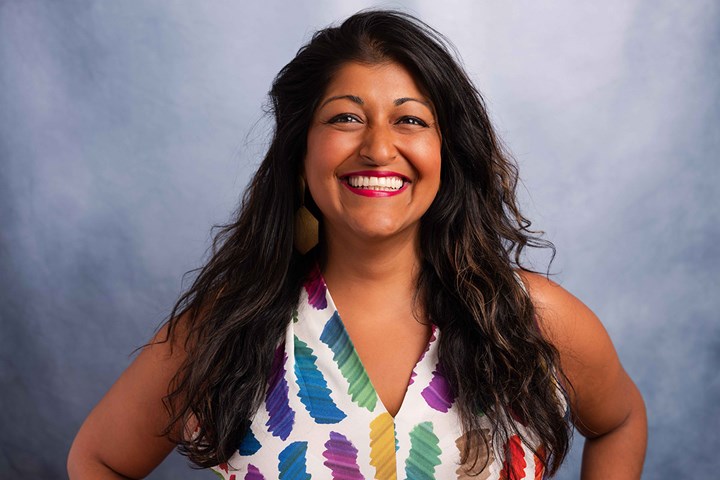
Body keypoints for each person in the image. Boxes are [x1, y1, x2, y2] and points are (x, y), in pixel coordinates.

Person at [67, 10, 647, 480]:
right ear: (300, 151)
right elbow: (97, 460)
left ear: (447, 154)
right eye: (346, 118)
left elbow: (619, 422)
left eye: (410, 120)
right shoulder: (228, 331)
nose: (377, 148)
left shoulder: (531, 318)